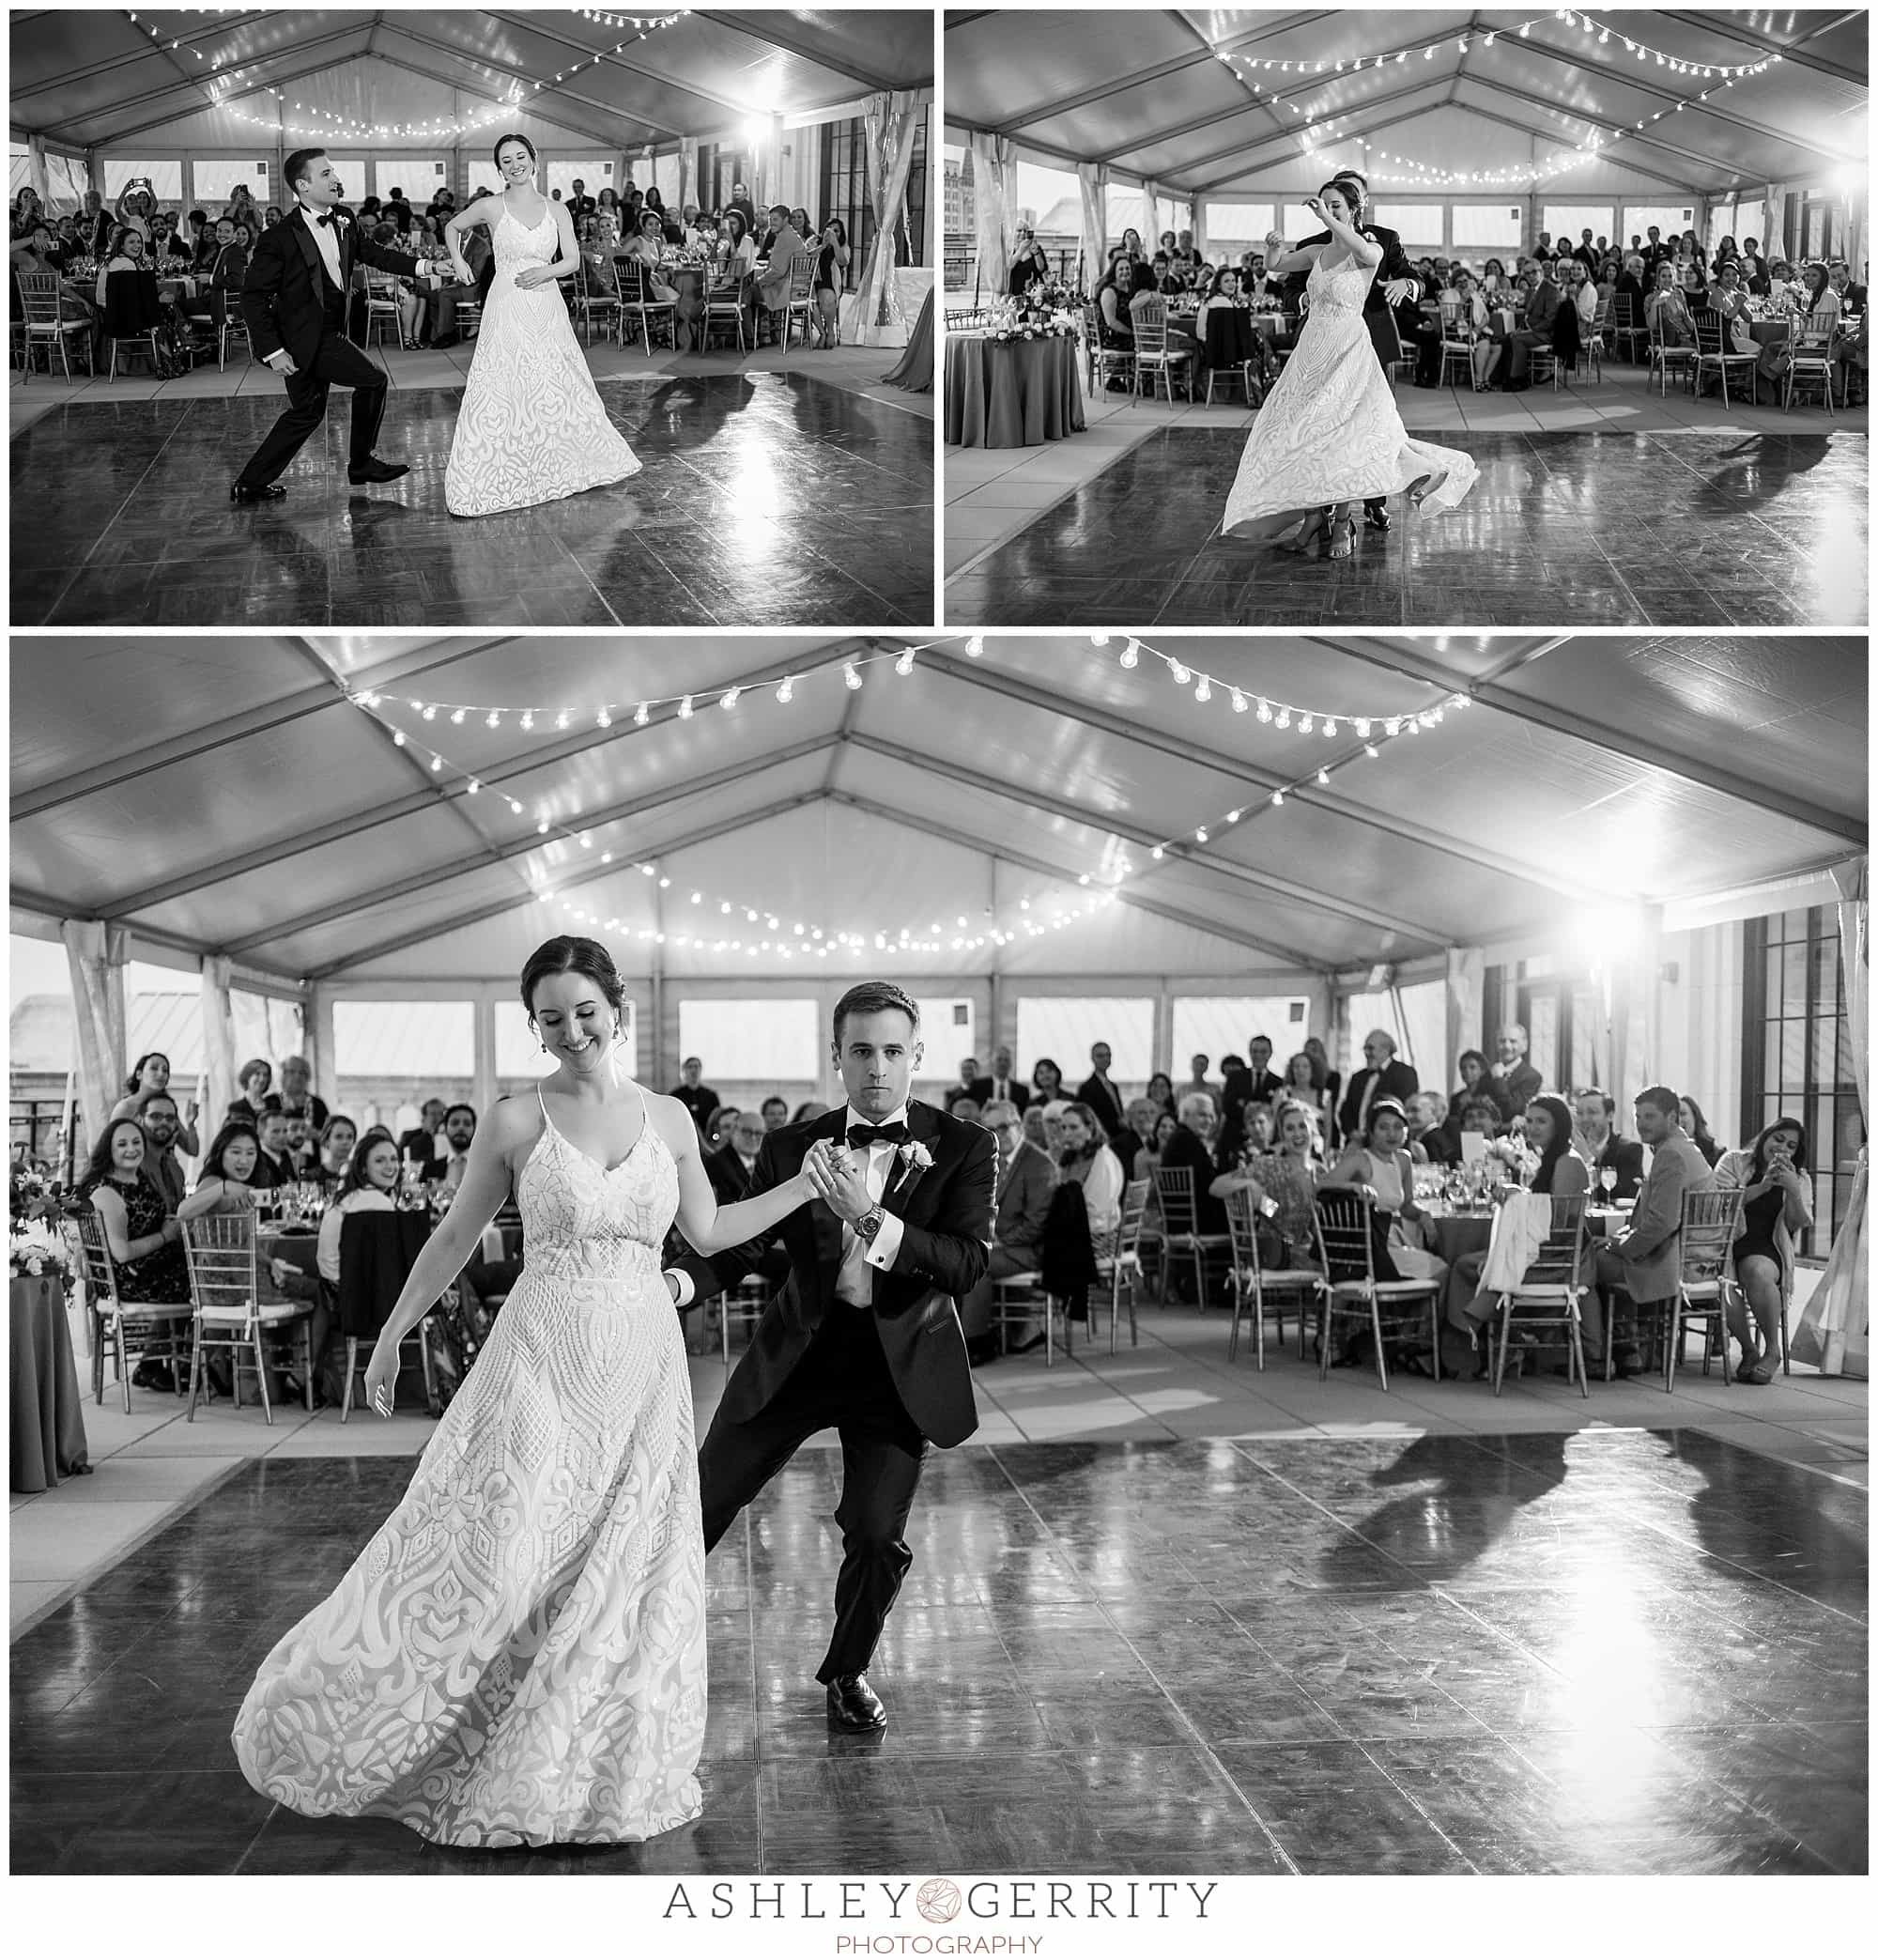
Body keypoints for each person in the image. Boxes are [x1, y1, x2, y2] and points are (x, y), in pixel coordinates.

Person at [234, 936, 831, 1844]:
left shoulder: (668, 1120)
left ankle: (578, 1770)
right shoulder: (515, 1121)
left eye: (585, 1010)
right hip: (540, 1362)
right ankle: (426, 1729)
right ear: (535, 1026)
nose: (572, 1030)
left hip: (641, 1368)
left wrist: (802, 1187)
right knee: (507, 1553)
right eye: (551, 1017)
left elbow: (709, 1233)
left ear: (616, 1008)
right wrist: (394, 1332)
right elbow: (451, 1240)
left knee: (623, 1568)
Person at [664, 980, 996, 1736]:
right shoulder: (792, 1146)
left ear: (916, 1055)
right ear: (837, 1057)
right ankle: (633, 1646)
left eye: (890, 1050)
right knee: (699, 1503)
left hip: (897, 1366)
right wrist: (678, 1281)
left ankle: (847, 1669)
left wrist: (868, 1217)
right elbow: (743, 1238)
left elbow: (965, 1262)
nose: (876, 1067)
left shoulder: (966, 1146)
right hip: (799, 1352)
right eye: (860, 1050)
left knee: (878, 1535)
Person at [1226, 173, 1470, 551]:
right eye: (1323, 204)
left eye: (1334, 204)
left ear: (1355, 208)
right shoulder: (1315, 250)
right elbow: (1279, 269)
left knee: (1350, 433)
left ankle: (1345, 522)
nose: (1324, 210)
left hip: (1350, 349)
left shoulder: (1371, 246)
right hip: (1312, 352)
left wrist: (1407, 283)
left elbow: (1390, 265)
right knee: (1305, 432)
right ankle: (1311, 520)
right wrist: (1272, 249)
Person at [439, 134, 641, 517]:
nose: (514, 164)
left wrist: (543, 272)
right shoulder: (490, 206)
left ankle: (562, 463)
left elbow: (572, 261)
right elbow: (452, 227)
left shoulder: (557, 210)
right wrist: (458, 260)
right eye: (506, 160)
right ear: (499, 168)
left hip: (546, 301)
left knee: (555, 380)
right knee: (506, 379)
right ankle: (503, 467)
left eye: (520, 156)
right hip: (507, 302)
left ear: (534, 159)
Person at [231, 148, 446, 503]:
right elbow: (252, 298)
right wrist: (272, 350)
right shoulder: (279, 237)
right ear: (303, 185)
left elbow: (377, 254)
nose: (336, 179)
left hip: (330, 331)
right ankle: (360, 464)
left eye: (334, 172)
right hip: (303, 339)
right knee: (373, 380)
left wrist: (426, 268)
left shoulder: (344, 217)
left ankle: (250, 484)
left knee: (306, 413)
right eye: (326, 174)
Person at [1586, 1087, 1715, 1373]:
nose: (1642, 1123)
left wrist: (1618, 1246)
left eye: (1650, 1116)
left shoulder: (1672, 1155)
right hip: (1693, 1255)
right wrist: (1618, 1241)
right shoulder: (1683, 1148)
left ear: (1672, 1118)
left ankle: (1599, 1354)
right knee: (1602, 1252)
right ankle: (1630, 1346)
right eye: (1638, 1116)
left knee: (1587, 1262)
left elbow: (1661, 1224)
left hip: (1674, 1263)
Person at [74, 1118, 190, 1386]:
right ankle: (191, 1365)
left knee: (203, 1270)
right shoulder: (106, 1192)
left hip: (152, 1268)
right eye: (122, 1144)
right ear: (109, 1149)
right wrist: (165, 1236)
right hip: (129, 1279)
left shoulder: (141, 1179)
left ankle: (179, 1363)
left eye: (137, 1142)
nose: (131, 1149)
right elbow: (122, 1252)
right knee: (205, 1285)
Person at [1715, 1118, 1812, 1384]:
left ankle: (1772, 1352)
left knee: (1758, 1271)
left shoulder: (1800, 1178)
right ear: (1765, 1137)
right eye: (1778, 1139)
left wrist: (1792, 1190)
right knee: (1723, 1288)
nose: (1782, 1148)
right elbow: (1716, 1204)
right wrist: (1762, 1187)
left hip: (1766, 1246)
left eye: (1791, 1146)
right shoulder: (1734, 1161)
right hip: (1722, 1242)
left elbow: (1798, 1223)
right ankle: (1748, 1350)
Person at [961, 1098, 1055, 1358]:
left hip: (1028, 1250)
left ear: (1019, 1125)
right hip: (999, 1244)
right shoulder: (997, 1159)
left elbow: (1038, 1223)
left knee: (976, 1264)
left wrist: (1000, 1243)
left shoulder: (1039, 1164)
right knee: (953, 1256)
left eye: (1003, 1127)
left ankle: (975, 1343)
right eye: (990, 1129)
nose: (998, 1134)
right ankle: (957, 1335)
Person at [1319, 1098, 1448, 1286]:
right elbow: (1320, 1185)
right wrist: (1354, 1187)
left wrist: (1424, 1215)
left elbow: (1406, 1205)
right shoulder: (1360, 1160)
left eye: (1398, 1127)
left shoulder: (1403, 1159)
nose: (1391, 1134)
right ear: (1371, 1132)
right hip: (1367, 1246)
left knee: (1439, 1259)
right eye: (1383, 1127)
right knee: (1441, 1269)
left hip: (1391, 1239)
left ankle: (1409, 1312)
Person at [1054, 1101, 1123, 1245]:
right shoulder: (1070, 1157)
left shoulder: (1103, 1159)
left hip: (1097, 1237)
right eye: (1064, 1128)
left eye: (1074, 1127)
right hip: (1072, 1228)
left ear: (1090, 1128)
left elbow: (1098, 1210)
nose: (1067, 1133)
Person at [1336, 1028, 1419, 1143]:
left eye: (1370, 1048)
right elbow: (1346, 1109)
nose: (1366, 1053)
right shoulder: (1358, 1077)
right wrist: (1352, 1132)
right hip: (1357, 1144)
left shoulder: (1404, 1073)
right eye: (1365, 1049)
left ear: (1386, 1049)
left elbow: (1402, 1109)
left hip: (1389, 1144)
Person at [112, 1051, 201, 1157]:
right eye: (154, 1068)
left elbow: (193, 1150)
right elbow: (112, 1148)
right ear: (139, 1074)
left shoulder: (166, 1107)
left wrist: (191, 1124)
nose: (161, 1074)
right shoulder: (125, 1107)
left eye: (165, 1070)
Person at [1573, 1089, 1645, 1203]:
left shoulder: (1629, 1149)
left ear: (1610, 1116)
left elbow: (1622, 1194)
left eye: (1592, 1112)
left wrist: (1588, 1159)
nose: (1585, 1119)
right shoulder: (1571, 1150)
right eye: (1580, 1113)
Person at [1075, 1042, 1127, 1139]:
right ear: (1093, 1058)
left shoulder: (1113, 1086)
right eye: (1100, 1056)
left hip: (1118, 1137)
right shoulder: (1087, 1088)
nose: (1105, 1059)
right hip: (1101, 1137)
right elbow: (1087, 1117)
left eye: (1108, 1055)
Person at [810, 218, 849, 349]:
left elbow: (843, 261)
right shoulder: (814, 241)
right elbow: (806, 256)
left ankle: (830, 332)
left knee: (828, 298)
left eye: (836, 231)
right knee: (810, 302)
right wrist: (823, 246)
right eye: (830, 229)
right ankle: (822, 333)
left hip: (831, 283)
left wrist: (835, 244)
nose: (833, 233)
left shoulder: (843, 246)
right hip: (811, 282)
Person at [670, 1057, 719, 1131]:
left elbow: (716, 1119)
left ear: (701, 1069)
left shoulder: (711, 1096)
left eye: (696, 1067)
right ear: (684, 1071)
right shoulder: (675, 1095)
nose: (693, 1070)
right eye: (690, 1067)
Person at [1679, 1096, 1724, 1168]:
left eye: (1682, 1114)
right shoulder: (1664, 1157)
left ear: (1695, 1117)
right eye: (1673, 1116)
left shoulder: (1718, 1156)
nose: (1678, 1120)